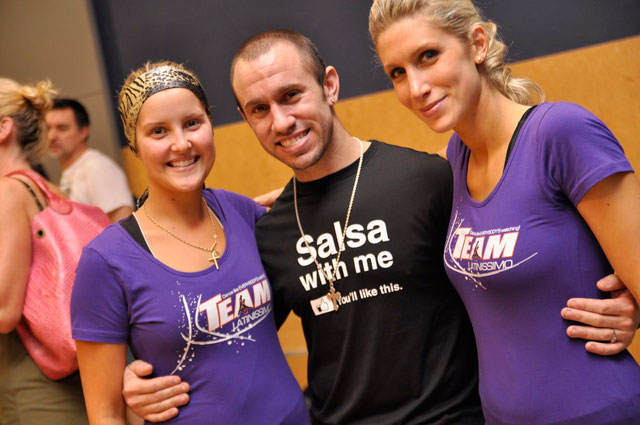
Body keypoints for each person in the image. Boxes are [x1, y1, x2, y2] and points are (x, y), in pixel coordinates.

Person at [121, 31, 640, 424]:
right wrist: (140, 379)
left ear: (329, 85)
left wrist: (627, 303)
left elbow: (522, 251)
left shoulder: (433, 179)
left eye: (292, 95)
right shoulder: (270, 228)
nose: (281, 121)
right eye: (259, 109)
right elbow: (234, 334)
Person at [369, 0, 640, 423]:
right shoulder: (457, 158)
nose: (416, 87)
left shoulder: (559, 133)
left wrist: (633, 312)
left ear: (477, 44)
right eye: (397, 73)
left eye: (428, 56)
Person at [69, 61, 309, 425]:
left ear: (210, 124)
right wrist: (127, 380)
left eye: (192, 123)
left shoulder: (241, 212)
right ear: (135, 145)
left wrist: (303, 201)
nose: (181, 144)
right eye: (158, 131)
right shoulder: (106, 260)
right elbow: (105, 415)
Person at [0, 78, 89, 424]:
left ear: (4, 128)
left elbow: (4, 311)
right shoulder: (50, 189)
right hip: (72, 373)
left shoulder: (8, 193)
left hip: (34, 386)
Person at [45, 98, 134, 222]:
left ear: (83, 131)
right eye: (47, 128)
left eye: (62, 128)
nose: (51, 136)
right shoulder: (72, 171)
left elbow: (123, 225)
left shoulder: (98, 167)